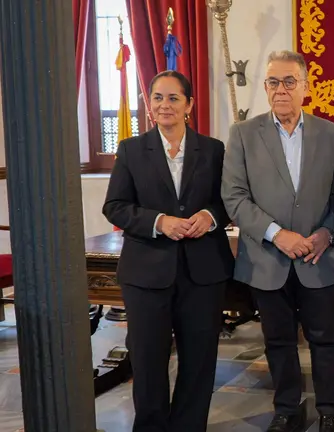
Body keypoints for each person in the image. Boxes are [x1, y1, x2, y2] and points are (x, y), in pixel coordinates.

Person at [102, 70, 234, 432]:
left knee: (199, 361)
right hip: (146, 273)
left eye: (174, 98)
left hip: (203, 271)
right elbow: (115, 206)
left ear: (189, 105)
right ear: (149, 105)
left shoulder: (212, 149)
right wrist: (160, 221)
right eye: (157, 98)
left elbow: (229, 202)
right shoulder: (131, 149)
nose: (164, 105)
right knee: (147, 362)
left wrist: (209, 216)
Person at [221, 50, 334, 432]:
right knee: (277, 341)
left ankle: (329, 412)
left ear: (306, 88)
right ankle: (287, 408)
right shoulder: (243, 134)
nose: (280, 90)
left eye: (289, 81)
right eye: (273, 82)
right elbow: (234, 196)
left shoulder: (331, 133)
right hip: (267, 259)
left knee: (325, 340)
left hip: (317, 257)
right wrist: (279, 235)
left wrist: (328, 232)